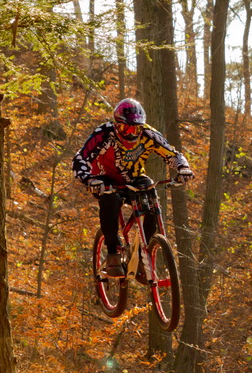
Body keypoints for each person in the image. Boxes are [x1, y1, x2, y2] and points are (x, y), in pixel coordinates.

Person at [72, 98, 193, 276]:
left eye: (135, 129)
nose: (130, 134)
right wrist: (88, 179)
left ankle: (142, 253)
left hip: (135, 177)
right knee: (110, 199)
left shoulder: (148, 134)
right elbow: (80, 158)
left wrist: (183, 168)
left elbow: (172, 154)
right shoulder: (104, 133)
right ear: (116, 124)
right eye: (125, 128)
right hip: (105, 178)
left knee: (151, 195)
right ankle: (112, 252)